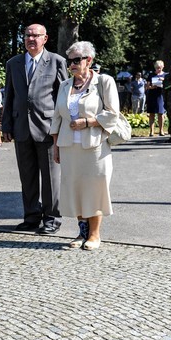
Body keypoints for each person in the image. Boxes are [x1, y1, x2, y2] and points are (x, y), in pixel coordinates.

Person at [50, 41, 119, 250]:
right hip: (69, 146)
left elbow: (113, 113)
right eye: (69, 60)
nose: (72, 64)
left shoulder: (103, 82)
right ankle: (82, 232)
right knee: (76, 189)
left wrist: (88, 122)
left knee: (95, 189)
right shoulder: (64, 85)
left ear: (89, 60)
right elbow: (57, 118)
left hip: (95, 146)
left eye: (76, 60)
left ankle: (95, 234)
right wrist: (55, 145)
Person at [1, 24, 67, 234]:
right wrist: (7, 125)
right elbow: (9, 96)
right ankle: (31, 217)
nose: (31, 39)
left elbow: (63, 97)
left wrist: (61, 127)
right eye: (27, 35)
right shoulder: (14, 63)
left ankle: (52, 218)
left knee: (50, 178)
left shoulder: (57, 62)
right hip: (21, 128)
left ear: (45, 38)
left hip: (48, 128)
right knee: (27, 177)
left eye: (35, 36)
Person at [145, 61, 167, 137]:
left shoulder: (165, 75)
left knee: (161, 113)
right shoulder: (151, 75)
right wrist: (151, 87)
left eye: (160, 68)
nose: (158, 69)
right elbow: (147, 86)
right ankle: (151, 131)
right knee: (151, 113)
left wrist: (163, 80)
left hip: (161, 95)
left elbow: (169, 85)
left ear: (163, 67)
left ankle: (161, 130)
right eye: (157, 68)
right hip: (152, 95)